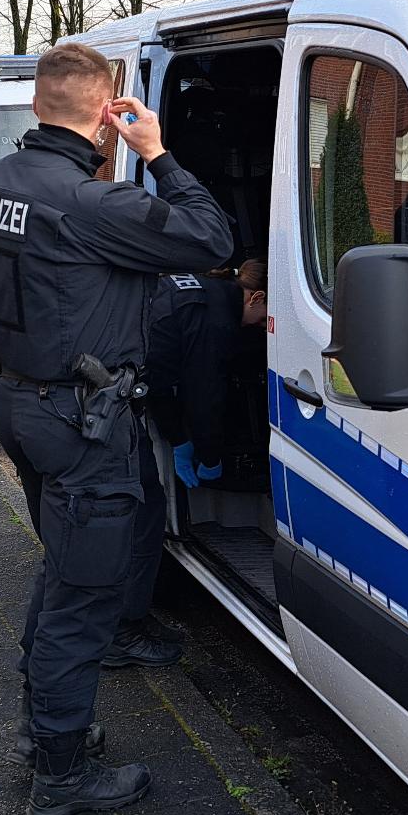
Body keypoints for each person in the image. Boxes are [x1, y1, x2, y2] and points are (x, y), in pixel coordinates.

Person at [0, 42, 233, 815]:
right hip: (82, 422)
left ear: (38, 103)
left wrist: (22, 363)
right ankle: (61, 773)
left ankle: (43, 733)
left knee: (62, 571)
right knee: (83, 596)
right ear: (108, 113)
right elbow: (211, 239)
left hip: (20, 404)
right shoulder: (95, 203)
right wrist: (158, 152)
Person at [98, 261, 268, 670]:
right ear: (257, 297)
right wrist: (207, 454)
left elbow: (162, 380)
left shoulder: (203, 290)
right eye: (265, 319)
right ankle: (121, 632)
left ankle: (127, 621)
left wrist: (179, 440)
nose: (263, 328)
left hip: (113, 383)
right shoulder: (216, 319)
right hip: (109, 404)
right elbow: (203, 395)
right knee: (145, 510)